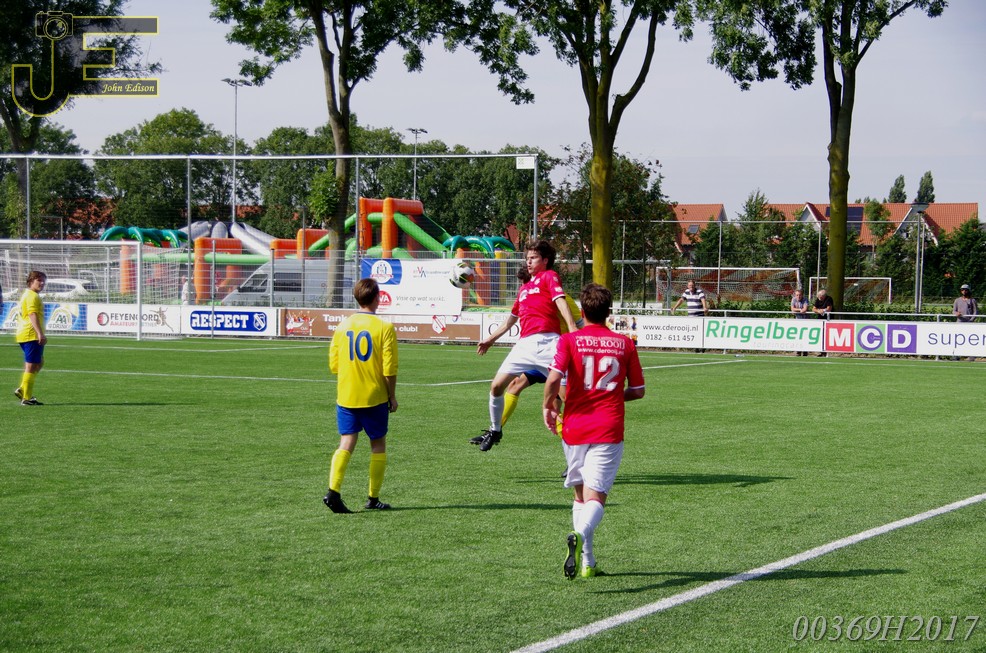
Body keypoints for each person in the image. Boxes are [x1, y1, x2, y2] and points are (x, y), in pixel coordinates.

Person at [543, 283, 645, 579]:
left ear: (582, 310)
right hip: (607, 427)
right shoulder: (625, 344)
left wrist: (548, 405)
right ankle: (579, 536)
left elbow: (554, 380)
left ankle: (588, 563)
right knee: (596, 497)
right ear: (608, 312)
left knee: (580, 495)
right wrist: (610, 395)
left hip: (574, 426)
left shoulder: (569, 340)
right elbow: (638, 390)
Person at [472, 241, 578, 452]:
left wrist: (574, 328)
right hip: (525, 346)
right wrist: (490, 339)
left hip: (549, 344)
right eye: (527, 258)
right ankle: (495, 430)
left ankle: (582, 444)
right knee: (497, 386)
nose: (528, 262)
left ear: (545, 260)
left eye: (533, 258)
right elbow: (510, 321)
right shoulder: (523, 290)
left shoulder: (549, 276)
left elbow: (561, 302)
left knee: (568, 398)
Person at [323, 278, 399, 514]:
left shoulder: (342, 326)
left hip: (346, 395)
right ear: (377, 298)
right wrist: (392, 396)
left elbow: (334, 365)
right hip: (374, 396)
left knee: (346, 441)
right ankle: (373, 498)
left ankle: (333, 491)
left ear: (357, 298)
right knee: (378, 444)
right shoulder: (384, 328)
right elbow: (389, 369)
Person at [14, 271, 47, 406]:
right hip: (31, 334)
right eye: (39, 280)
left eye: (43, 281)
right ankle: (26, 398)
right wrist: (40, 333)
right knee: (31, 366)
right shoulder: (32, 296)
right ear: (31, 281)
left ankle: (23, 389)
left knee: (39, 362)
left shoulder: (29, 294)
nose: (42, 283)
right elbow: (32, 314)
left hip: (27, 334)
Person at [812, 288, 834, 357]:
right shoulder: (818, 299)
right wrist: (819, 311)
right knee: (821, 335)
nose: (819, 298)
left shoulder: (829, 299)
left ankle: (827, 351)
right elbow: (813, 309)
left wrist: (823, 310)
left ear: (823, 296)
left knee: (827, 335)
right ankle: (822, 351)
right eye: (818, 296)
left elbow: (829, 308)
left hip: (828, 320)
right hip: (820, 319)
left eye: (820, 297)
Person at [791, 289, 810, 356]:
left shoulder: (805, 299)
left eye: (800, 295)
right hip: (798, 320)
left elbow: (805, 309)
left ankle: (805, 351)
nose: (798, 296)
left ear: (802, 295)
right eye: (797, 295)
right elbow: (792, 309)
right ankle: (798, 351)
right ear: (795, 295)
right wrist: (799, 309)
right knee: (797, 336)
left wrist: (800, 310)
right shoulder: (793, 299)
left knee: (805, 336)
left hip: (805, 320)